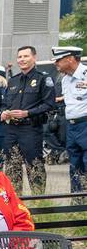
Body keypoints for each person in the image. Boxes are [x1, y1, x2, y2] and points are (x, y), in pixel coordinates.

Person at [0, 45, 56, 195]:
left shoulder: (43, 78)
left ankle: (39, 200)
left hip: (31, 129)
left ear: (34, 58)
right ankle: (15, 201)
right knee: (12, 167)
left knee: (34, 166)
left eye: (26, 56)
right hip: (12, 130)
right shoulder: (13, 81)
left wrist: (27, 113)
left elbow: (50, 104)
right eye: (19, 57)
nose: (22, 59)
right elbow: (4, 103)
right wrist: (3, 112)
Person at [53, 46, 87, 194]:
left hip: (85, 123)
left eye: (58, 60)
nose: (56, 64)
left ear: (70, 59)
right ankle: (77, 199)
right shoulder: (65, 79)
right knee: (74, 164)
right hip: (72, 126)